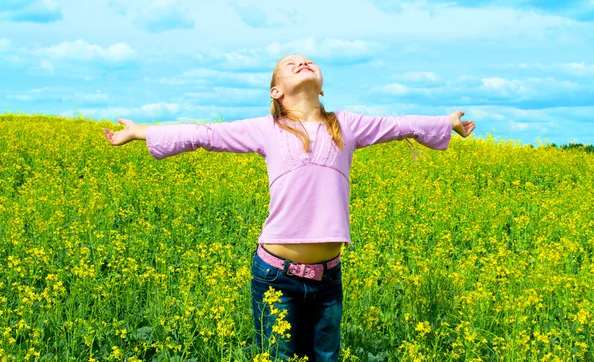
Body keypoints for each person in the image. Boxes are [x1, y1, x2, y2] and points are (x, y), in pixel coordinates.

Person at [103, 54, 475, 361]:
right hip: (274, 276)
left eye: (308, 61)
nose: (302, 62)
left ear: (323, 86)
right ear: (276, 90)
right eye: (290, 63)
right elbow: (206, 135)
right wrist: (143, 132)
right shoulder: (266, 128)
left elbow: (399, 125)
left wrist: (446, 122)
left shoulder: (347, 125)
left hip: (328, 278)